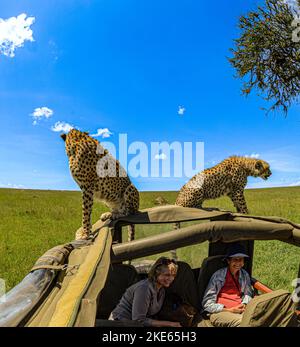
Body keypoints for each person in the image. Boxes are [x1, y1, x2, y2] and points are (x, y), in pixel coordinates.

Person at [110, 257, 182, 327]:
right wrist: (170, 324)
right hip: (120, 323)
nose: (171, 278)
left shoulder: (161, 290)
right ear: (156, 273)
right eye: (167, 275)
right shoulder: (144, 288)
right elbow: (138, 320)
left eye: (173, 275)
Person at [202, 243, 253, 327]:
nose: (238, 263)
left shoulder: (244, 275)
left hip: (241, 311)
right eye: (235, 259)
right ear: (228, 261)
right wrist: (229, 310)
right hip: (220, 312)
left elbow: (248, 293)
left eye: (241, 259)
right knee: (243, 323)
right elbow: (207, 303)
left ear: (243, 262)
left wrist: (244, 304)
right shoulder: (218, 276)